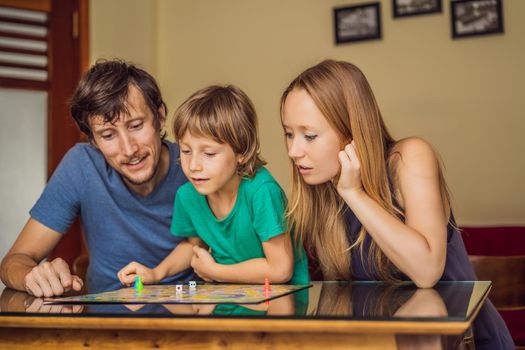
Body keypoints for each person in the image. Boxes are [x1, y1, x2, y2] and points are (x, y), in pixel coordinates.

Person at [280, 59, 513, 349]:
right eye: (289, 133)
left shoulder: (409, 158)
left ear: (351, 131)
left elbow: (426, 271)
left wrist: (355, 194)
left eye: (309, 136)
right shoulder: (322, 192)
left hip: (464, 342)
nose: (293, 150)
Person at [0, 60, 192, 297]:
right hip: (106, 323)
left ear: (160, 117)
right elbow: (13, 261)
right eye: (108, 135)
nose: (129, 149)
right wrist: (33, 276)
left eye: (136, 125)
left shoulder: (195, 166)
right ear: (93, 140)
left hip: (188, 318)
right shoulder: (82, 165)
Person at [118, 85, 309, 285]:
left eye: (209, 154)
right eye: (186, 151)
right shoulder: (187, 196)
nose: (193, 166)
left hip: (283, 302)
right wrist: (156, 273)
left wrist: (216, 271)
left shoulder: (262, 191)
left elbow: (280, 270)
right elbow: (192, 246)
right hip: (230, 301)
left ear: (241, 152)